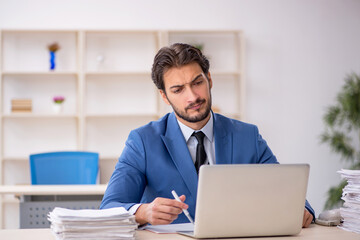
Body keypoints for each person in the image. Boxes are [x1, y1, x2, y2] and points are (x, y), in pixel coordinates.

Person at [100, 43, 315, 227]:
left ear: (209, 79)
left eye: (197, 82)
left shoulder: (248, 136)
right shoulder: (143, 142)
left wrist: (302, 211)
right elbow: (109, 207)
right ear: (164, 96)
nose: (192, 96)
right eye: (178, 90)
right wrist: (143, 212)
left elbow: (290, 195)